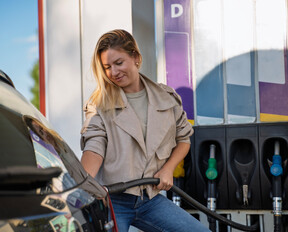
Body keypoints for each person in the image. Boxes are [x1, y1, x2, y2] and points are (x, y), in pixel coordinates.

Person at [80, 29, 210, 232]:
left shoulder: (167, 97)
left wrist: (168, 169)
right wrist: (83, 187)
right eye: (107, 67)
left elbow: (184, 139)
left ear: (136, 57)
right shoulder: (99, 104)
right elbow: (94, 146)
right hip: (112, 200)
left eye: (119, 63)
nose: (113, 72)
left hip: (150, 199)